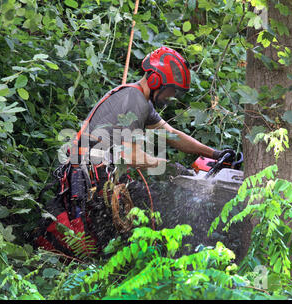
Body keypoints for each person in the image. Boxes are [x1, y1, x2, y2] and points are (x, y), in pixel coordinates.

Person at [32, 46, 236, 257]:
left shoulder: (140, 101)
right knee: (158, 206)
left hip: (97, 177)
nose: (172, 96)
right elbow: (130, 156)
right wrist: (168, 167)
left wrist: (214, 154)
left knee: (146, 211)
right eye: (171, 90)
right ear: (157, 81)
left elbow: (172, 135)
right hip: (91, 181)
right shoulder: (134, 99)